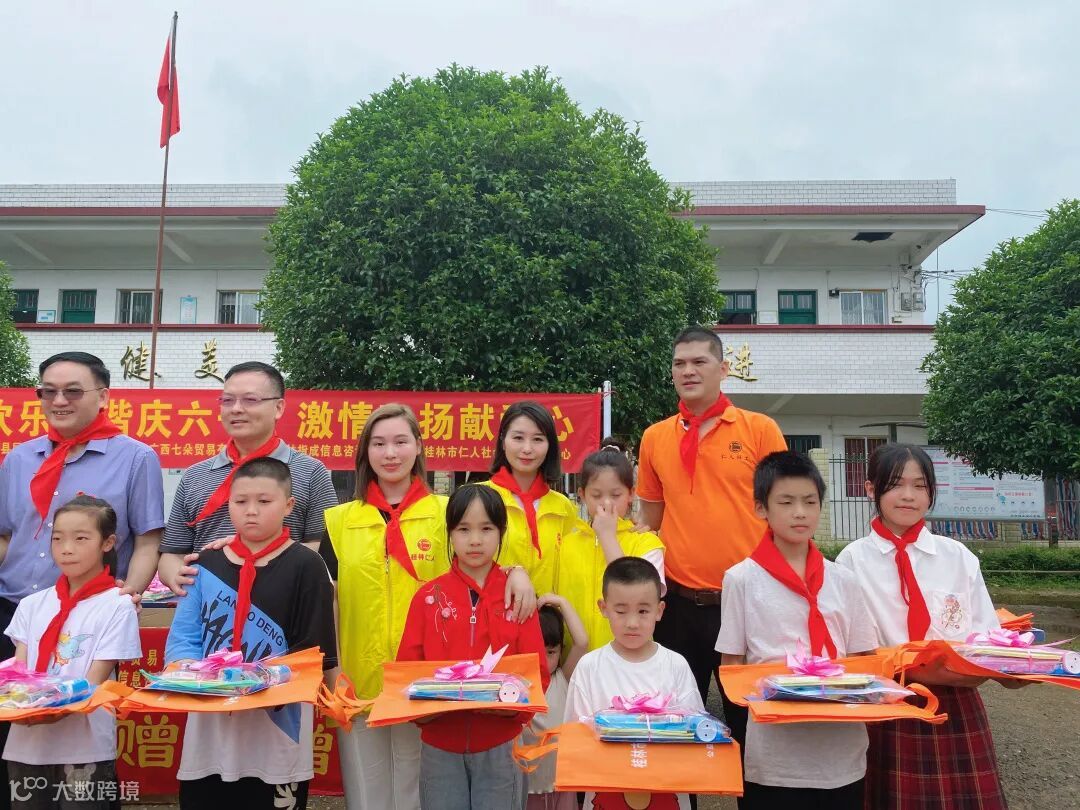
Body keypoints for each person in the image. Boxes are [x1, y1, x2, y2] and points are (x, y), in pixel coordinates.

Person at [321, 404, 535, 810]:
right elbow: (328, 599)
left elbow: (483, 561)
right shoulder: (338, 521)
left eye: (401, 442)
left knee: (417, 794)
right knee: (366, 794)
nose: (390, 453)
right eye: (379, 444)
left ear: (418, 446)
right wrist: (334, 675)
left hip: (428, 683)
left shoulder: (444, 512)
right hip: (357, 682)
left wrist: (519, 571)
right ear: (365, 451)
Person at [0, 352, 163, 810]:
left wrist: (128, 596)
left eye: (73, 391)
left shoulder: (135, 458)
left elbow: (148, 539)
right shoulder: (19, 458)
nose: (59, 400)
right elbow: (7, 536)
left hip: (88, 619)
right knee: (14, 749)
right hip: (15, 613)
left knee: (81, 742)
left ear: (103, 396)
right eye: (48, 391)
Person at [835, 443, 1010, 810]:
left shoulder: (957, 556)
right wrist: (904, 669)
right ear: (871, 489)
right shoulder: (853, 560)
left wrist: (1006, 669)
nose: (908, 496)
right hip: (887, 701)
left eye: (920, 485)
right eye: (896, 484)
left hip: (956, 700)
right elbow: (850, 646)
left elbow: (985, 635)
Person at [164, 457, 338, 810]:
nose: (251, 511)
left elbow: (313, 652)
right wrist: (188, 673)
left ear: (289, 505)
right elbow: (183, 637)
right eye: (240, 501)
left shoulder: (307, 566)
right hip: (210, 724)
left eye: (264, 501)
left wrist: (252, 681)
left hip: (277, 725)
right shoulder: (205, 563)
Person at [715, 451, 878, 809]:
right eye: (786, 502)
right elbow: (731, 666)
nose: (800, 512)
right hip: (775, 757)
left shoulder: (844, 580)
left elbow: (863, 658)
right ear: (761, 508)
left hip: (841, 751)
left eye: (809, 501)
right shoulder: (741, 579)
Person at [637, 326, 787, 705]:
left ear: (722, 369)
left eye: (699, 362)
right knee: (677, 714)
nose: (688, 371)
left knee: (750, 713)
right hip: (679, 604)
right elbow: (650, 520)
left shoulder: (759, 430)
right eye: (679, 364)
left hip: (748, 601)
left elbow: (785, 512)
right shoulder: (654, 438)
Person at [397, 484, 550, 810]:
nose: (475, 540)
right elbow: (407, 671)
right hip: (440, 744)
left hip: (500, 743)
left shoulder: (517, 597)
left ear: (501, 532)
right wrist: (426, 717)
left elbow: (538, 672)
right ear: (450, 534)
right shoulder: (427, 598)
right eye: (464, 529)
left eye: (486, 529)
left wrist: (509, 710)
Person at [4, 496, 142, 810]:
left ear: (107, 543)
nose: (66, 548)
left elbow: (94, 682)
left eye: (80, 539)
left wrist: (46, 710)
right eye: (57, 539)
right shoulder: (32, 604)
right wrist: (20, 704)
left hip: (84, 746)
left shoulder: (117, 605)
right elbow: (19, 675)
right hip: (26, 744)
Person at [158, 361, 337, 595]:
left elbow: (324, 546)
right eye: (227, 400)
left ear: (279, 407)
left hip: (281, 604)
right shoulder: (195, 476)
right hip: (208, 602)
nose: (236, 409)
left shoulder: (311, 471)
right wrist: (179, 575)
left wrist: (251, 557)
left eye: (250, 400)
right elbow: (172, 552)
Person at [565, 557, 703, 810]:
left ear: (659, 610)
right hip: (606, 788)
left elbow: (694, 732)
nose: (632, 623)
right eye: (620, 611)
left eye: (643, 611)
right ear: (603, 608)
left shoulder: (676, 665)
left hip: (666, 788)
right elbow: (575, 738)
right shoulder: (589, 667)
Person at [556, 440, 664, 650]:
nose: (606, 503)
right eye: (596, 495)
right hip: (575, 657)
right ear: (582, 495)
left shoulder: (646, 542)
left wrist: (607, 536)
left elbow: (632, 592)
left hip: (628, 656)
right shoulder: (566, 543)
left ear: (631, 494)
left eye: (616, 495)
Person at [483, 401, 578, 595]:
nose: (527, 449)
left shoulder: (562, 507)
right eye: (518, 438)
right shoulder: (480, 499)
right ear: (503, 441)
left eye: (537, 439)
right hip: (490, 610)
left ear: (550, 445)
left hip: (547, 612)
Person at [523, 595, 589, 810]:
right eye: (536, 651)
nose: (543, 660)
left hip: (562, 781)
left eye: (550, 652)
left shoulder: (563, 677)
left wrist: (562, 603)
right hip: (526, 784)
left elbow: (582, 642)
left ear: (561, 650)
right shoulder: (515, 684)